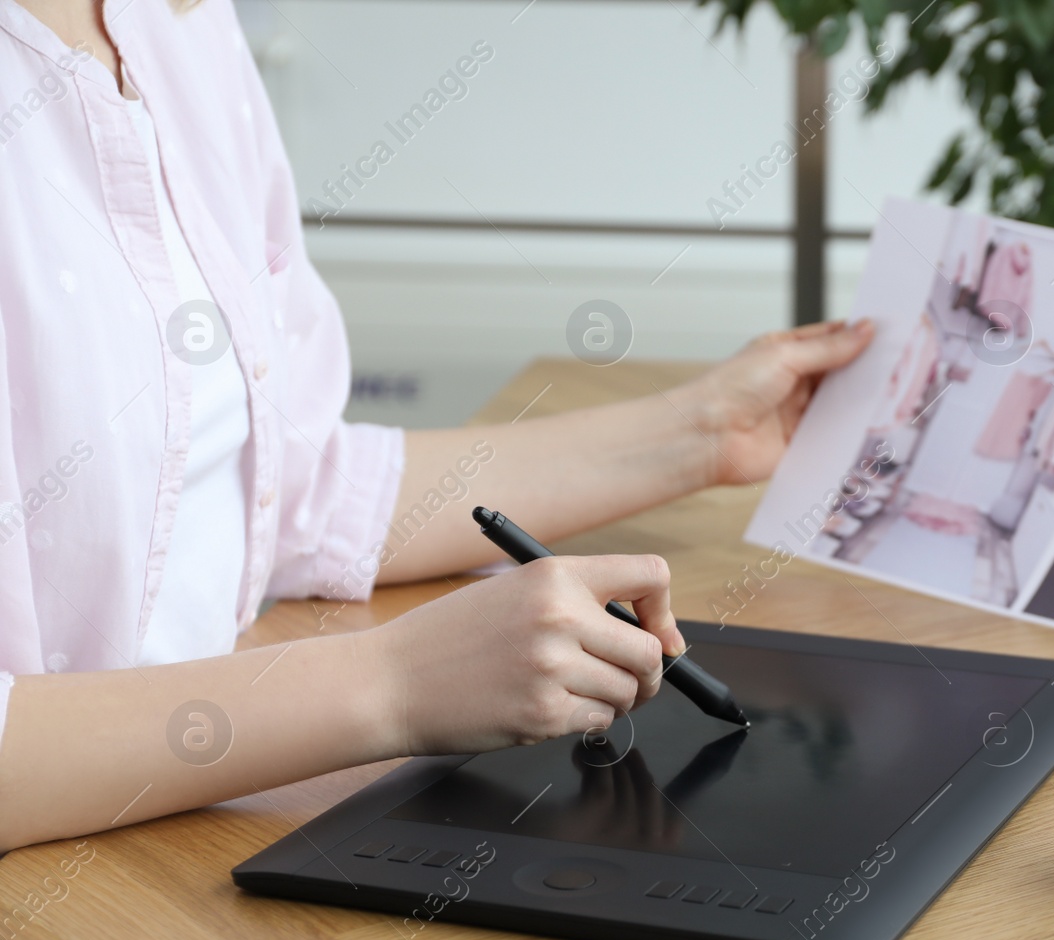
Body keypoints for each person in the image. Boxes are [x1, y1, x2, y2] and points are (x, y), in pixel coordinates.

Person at [0, 0, 873, 852]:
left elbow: (290, 492)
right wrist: (394, 684)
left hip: (188, 831)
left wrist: (706, 430)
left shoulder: (180, 23)